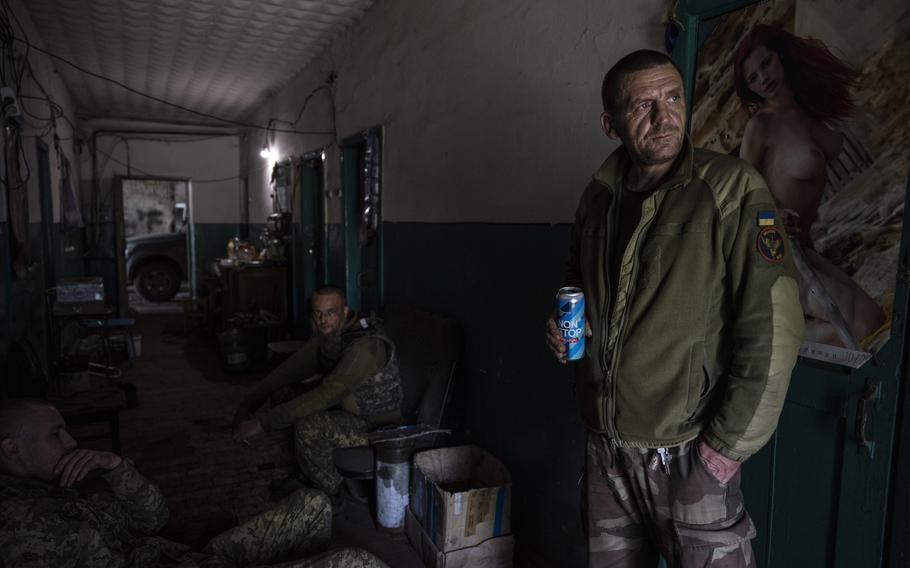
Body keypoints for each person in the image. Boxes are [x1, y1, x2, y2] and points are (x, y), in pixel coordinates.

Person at [545, 49, 804, 566]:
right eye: (643, 105)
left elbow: (774, 329)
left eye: (672, 98)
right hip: (606, 449)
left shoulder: (730, 187)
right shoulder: (598, 198)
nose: (664, 118)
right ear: (610, 123)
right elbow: (577, 278)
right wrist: (564, 329)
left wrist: (723, 452)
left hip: (690, 454)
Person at [0, 398, 386, 568]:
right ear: (12, 449)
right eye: (56, 435)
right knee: (358, 563)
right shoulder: (21, 526)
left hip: (185, 556)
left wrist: (115, 464)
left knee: (313, 503)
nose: (71, 442)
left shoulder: (62, 482)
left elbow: (155, 517)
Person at [734, 24, 886, 348]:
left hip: (801, 248)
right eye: (753, 79)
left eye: (766, 63)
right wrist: (772, 215)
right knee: (862, 323)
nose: (764, 78)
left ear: (782, 58)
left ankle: (785, 340)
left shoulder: (808, 116)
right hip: (769, 252)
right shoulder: (760, 126)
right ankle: (773, 345)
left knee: (874, 318)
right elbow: (742, 198)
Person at [232, 285, 401, 497]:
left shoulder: (364, 347)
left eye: (330, 313)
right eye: (318, 313)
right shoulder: (329, 333)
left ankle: (330, 494)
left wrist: (262, 423)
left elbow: (325, 395)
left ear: (345, 312)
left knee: (308, 428)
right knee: (283, 393)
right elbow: (288, 371)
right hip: (346, 405)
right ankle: (305, 470)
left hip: (375, 423)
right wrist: (249, 403)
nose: (323, 320)